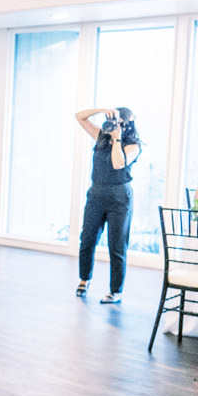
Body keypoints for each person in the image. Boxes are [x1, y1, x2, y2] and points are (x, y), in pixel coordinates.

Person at [74, 107, 141, 304]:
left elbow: (118, 163)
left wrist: (117, 138)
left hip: (120, 198)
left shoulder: (133, 145)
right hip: (96, 194)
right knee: (87, 239)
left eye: (119, 121)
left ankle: (115, 291)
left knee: (117, 245)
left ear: (127, 124)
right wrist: (103, 109)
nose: (114, 124)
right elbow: (79, 117)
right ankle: (84, 280)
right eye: (112, 120)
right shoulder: (101, 136)